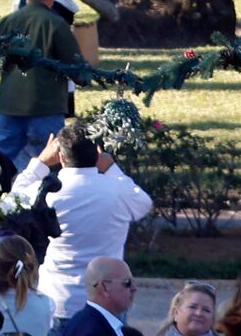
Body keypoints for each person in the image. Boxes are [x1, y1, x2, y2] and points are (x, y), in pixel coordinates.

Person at [19, 133, 157, 324]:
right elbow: (144, 203)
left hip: (59, 299)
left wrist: (41, 162)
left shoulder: (48, 191)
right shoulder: (118, 191)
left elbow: (14, 199)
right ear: (97, 156)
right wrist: (111, 168)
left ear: (60, 157)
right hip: (109, 302)